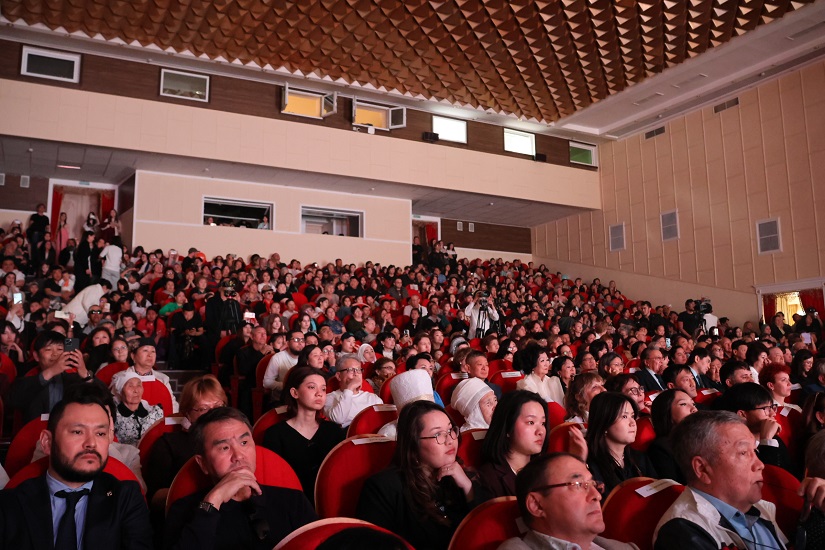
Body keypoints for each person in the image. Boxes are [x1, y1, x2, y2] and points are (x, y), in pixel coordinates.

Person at [0, 392, 152, 550]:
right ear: (47, 442)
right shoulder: (10, 504)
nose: (91, 443)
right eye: (77, 432)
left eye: (100, 434)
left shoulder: (125, 498)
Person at [163, 407, 317, 550]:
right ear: (202, 463)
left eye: (244, 443)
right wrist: (212, 501)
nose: (238, 456)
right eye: (224, 448)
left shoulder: (293, 501)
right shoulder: (184, 511)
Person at [356, 400, 488, 550]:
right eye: (438, 434)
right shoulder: (383, 488)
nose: (450, 440)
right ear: (413, 443)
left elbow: (485, 530)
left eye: (451, 430)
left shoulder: (460, 476)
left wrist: (468, 487)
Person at [654, 411, 790, 549]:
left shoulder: (760, 508)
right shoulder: (681, 534)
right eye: (743, 453)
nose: (760, 464)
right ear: (703, 469)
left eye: (755, 451)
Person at [498, 453, 639, 550]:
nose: (597, 496)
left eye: (592, 484)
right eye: (577, 484)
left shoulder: (625, 547)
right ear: (537, 505)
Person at [261, 366, 346, 505]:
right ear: (295, 393)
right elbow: (273, 480)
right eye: (312, 387)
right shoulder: (275, 434)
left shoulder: (334, 431)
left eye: (323, 389)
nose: (319, 394)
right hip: (290, 503)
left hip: (329, 501)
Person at [144, 375, 227, 507]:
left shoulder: (234, 439)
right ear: (187, 412)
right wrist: (208, 497)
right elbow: (154, 497)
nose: (213, 414)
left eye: (217, 406)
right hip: (190, 510)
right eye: (203, 409)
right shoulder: (168, 444)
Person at [8, 329, 105, 423]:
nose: (55, 354)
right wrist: (52, 371)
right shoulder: (29, 377)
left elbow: (104, 399)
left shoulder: (74, 377)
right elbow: (13, 400)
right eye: (48, 349)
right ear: (36, 356)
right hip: (36, 433)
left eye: (60, 349)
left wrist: (84, 373)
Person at [715, 382, 798, 478]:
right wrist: (766, 440)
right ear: (742, 415)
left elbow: (788, 476)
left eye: (772, 407)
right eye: (766, 409)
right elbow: (768, 480)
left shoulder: (775, 439)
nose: (773, 414)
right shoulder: (734, 449)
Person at [478, 391, 552, 498]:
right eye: (531, 422)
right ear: (508, 427)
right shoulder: (489, 478)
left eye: (543, 423)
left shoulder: (547, 469)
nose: (540, 431)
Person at [585, 392, 657, 497]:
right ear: (604, 423)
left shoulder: (639, 458)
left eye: (632, 416)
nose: (633, 423)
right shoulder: (590, 467)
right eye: (624, 416)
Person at [110, 337, 179, 413]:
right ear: (133, 356)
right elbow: (113, 405)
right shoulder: (120, 377)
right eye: (145, 350)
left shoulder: (163, 379)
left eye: (153, 351)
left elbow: (172, 405)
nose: (150, 355)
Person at [647, 389, 697, 484]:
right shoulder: (661, 448)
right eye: (683, 404)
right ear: (666, 411)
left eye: (693, 404)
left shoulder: (704, 438)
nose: (693, 409)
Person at [323, 354, 383, 428]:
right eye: (350, 370)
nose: (356, 374)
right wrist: (349, 389)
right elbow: (339, 419)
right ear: (339, 376)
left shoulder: (372, 398)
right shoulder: (329, 398)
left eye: (359, 370)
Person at [113, 371, 165, 446]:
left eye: (139, 385)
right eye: (130, 386)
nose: (136, 390)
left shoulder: (155, 412)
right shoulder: (113, 415)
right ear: (121, 391)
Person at [262, 328, 304, 401]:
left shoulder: (307, 357)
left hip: (303, 397)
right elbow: (267, 382)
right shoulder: (277, 358)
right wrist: (286, 385)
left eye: (302, 340)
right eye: (296, 340)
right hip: (282, 398)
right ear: (287, 343)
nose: (300, 343)